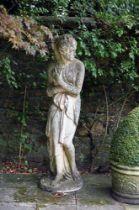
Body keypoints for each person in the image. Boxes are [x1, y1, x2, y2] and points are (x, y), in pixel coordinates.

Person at [46, 34, 85, 186]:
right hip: (56, 106)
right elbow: (49, 91)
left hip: (72, 106)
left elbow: (76, 91)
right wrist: (56, 89)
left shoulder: (78, 65)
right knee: (55, 141)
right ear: (62, 50)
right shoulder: (52, 67)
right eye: (72, 49)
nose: (74, 52)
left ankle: (73, 169)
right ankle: (59, 173)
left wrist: (61, 83)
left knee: (67, 142)